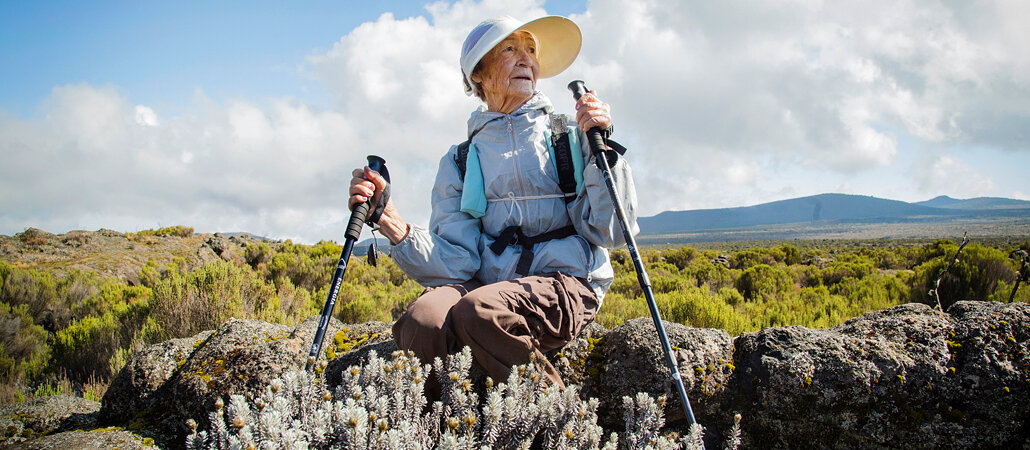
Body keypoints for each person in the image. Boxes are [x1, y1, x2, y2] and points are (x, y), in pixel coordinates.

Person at [348, 15, 637, 388]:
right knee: (424, 321)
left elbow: (611, 231)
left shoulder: (570, 135)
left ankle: (562, 424)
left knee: (480, 312)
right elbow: (458, 261)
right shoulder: (461, 159)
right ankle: (447, 429)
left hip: (568, 281)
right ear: (478, 75)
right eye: (509, 49)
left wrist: (604, 153)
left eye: (531, 50)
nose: (526, 59)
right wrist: (392, 223)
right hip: (487, 286)